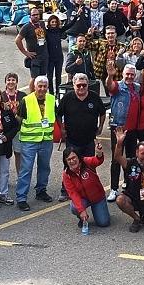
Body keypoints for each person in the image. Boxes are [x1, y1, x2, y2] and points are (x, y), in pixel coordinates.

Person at [56, 73, 107, 202]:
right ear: (73, 85)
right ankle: (65, 190)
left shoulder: (94, 97)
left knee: (89, 167)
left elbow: (102, 112)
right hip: (72, 140)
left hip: (89, 140)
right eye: (78, 85)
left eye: (84, 85)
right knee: (70, 165)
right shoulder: (67, 98)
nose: (81, 88)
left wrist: (101, 126)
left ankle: (90, 190)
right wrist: (61, 128)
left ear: (88, 85)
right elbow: (58, 114)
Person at [15, 75, 57, 212]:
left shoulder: (51, 99)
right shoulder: (26, 100)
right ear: (34, 87)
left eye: (45, 86)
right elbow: (19, 120)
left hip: (46, 140)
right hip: (29, 141)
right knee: (26, 169)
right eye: (40, 86)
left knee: (44, 167)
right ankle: (21, 198)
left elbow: (56, 116)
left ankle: (41, 191)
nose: (42, 89)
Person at [105, 63, 140, 202]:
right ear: (123, 74)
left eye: (132, 74)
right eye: (127, 74)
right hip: (118, 129)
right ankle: (114, 189)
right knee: (116, 159)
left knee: (131, 159)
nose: (130, 77)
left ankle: (128, 184)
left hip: (133, 130)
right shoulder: (118, 86)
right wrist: (110, 75)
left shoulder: (137, 88)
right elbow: (109, 86)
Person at [62, 141, 111, 231]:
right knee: (74, 207)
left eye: (74, 158)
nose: (72, 161)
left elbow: (98, 160)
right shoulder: (66, 174)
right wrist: (81, 210)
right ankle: (82, 218)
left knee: (103, 223)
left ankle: (100, 210)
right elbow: (73, 193)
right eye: (69, 159)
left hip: (97, 198)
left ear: (78, 157)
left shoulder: (86, 162)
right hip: (83, 199)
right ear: (65, 161)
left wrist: (99, 153)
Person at [15, 7, 48, 80]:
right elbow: (17, 40)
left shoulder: (42, 24)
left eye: (37, 14)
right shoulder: (26, 27)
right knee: (34, 78)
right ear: (30, 16)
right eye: (33, 15)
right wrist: (25, 52)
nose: (36, 16)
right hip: (34, 57)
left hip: (44, 56)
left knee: (42, 78)